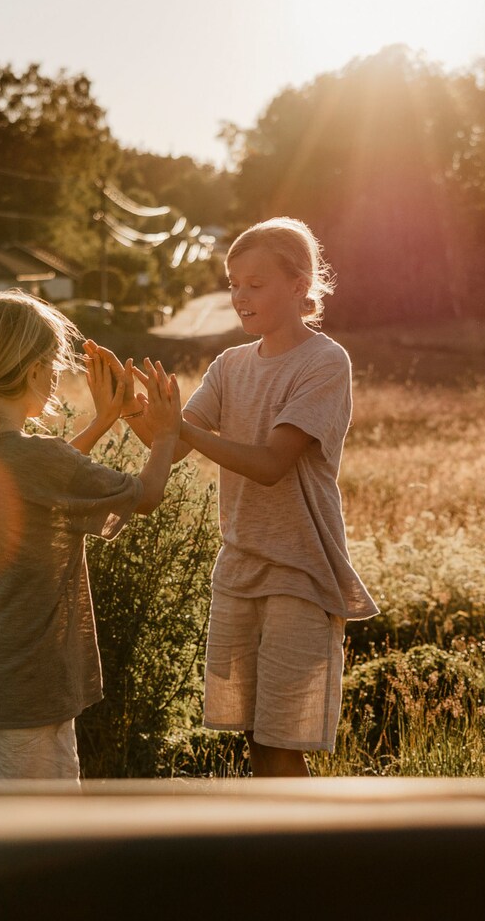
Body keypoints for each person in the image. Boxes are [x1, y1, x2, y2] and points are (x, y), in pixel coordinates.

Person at [134, 217, 376, 777]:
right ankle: (271, 857)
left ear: (299, 284)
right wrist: (125, 407)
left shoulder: (324, 362)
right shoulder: (229, 365)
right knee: (251, 741)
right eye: (233, 283)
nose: (240, 297)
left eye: (255, 284)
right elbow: (167, 447)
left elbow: (270, 464)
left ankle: (303, 860)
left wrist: (180, 430)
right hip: (238, 568)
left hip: (299, 569)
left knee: (280, 744)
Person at [0, 289, 181, 785]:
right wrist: (167, 434)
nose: (59, 374)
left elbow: (41, 481)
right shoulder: (42, 459)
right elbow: (145, 496)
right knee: (40, 839)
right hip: (26, 690)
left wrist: (103, 420)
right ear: (34, 372)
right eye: (55, 362)